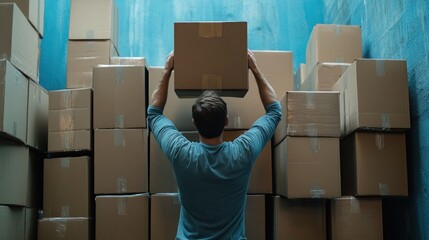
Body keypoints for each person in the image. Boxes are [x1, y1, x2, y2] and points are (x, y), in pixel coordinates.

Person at [147, 50, 282, 240]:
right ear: (227, 121)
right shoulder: (243, 152)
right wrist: (254, 69)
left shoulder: (181, 153)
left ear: (194, 122)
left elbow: (154, 114)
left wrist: (168, 70)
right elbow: (274, 112)